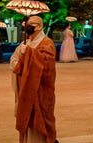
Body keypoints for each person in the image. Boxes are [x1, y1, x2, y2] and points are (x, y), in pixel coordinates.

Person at [9, 15, 58, 143]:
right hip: (26, 90)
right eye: (27, 23)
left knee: (42, 118)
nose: (28, 26)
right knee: (26, 119)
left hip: (40, 91)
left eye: (32, 24)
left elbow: (47, 65)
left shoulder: (47, 43)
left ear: (40, 26)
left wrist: (30, 53)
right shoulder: (24, 44)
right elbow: (14, 62)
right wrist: (23, 59)